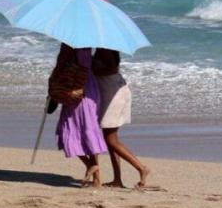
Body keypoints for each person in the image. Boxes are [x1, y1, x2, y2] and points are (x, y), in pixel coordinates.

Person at [93, 48, 150, 188]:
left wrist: (91, 73)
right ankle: (117, 179)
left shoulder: (103, 48)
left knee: (111, 140)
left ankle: (141, 168)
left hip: (113, 93)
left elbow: (112, 68)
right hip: (113, 91)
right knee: (111, 139)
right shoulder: (104, 48)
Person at [53, 44, 107, 187]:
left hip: (75, 88)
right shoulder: (88, 43)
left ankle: (90, 165)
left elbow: (61, 66)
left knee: (68, 129)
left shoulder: (68, 43)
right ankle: (97, 179)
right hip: (91, 87)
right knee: (89, 131)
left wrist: (52, 88)